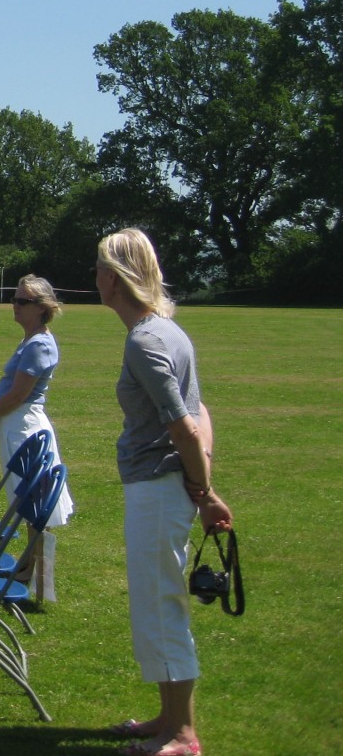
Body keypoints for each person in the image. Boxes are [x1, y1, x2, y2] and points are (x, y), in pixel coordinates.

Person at [95, 229, 231, 756]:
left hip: (158, 488)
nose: (96, 277)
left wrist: (206, 492)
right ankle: (168, 717)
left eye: (99, 268)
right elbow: (200, 413)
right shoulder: (167, 331)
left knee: (160, 606)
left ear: (113, 278)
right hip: (165, 486)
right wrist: (201, 484)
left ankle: (182, 734)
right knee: (158, 604)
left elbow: (185, 426)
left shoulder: (146, 341)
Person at [0, 275, 73, 527]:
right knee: (27, 500)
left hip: (24, 425)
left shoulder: (39, 344)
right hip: (15, 423)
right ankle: (34, 553)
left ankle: (37, 553)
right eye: (14, 299)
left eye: (23, 301)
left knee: (34, 501)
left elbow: (18, 395)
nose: (15, 305)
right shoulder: (30, 340)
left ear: (41, 307)